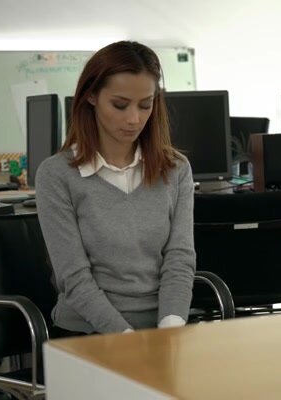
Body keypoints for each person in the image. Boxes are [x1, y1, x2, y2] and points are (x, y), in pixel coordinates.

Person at [36, 41, 195, 335]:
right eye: (120, 105)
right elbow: (74, 278)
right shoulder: (56, 175)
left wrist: (170, 330)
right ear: (91, 96)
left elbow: (180, 260)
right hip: (88, 333)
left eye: (145, 105)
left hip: (163, 330)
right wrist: (127, 340)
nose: (134, 119)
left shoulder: (176, 169)